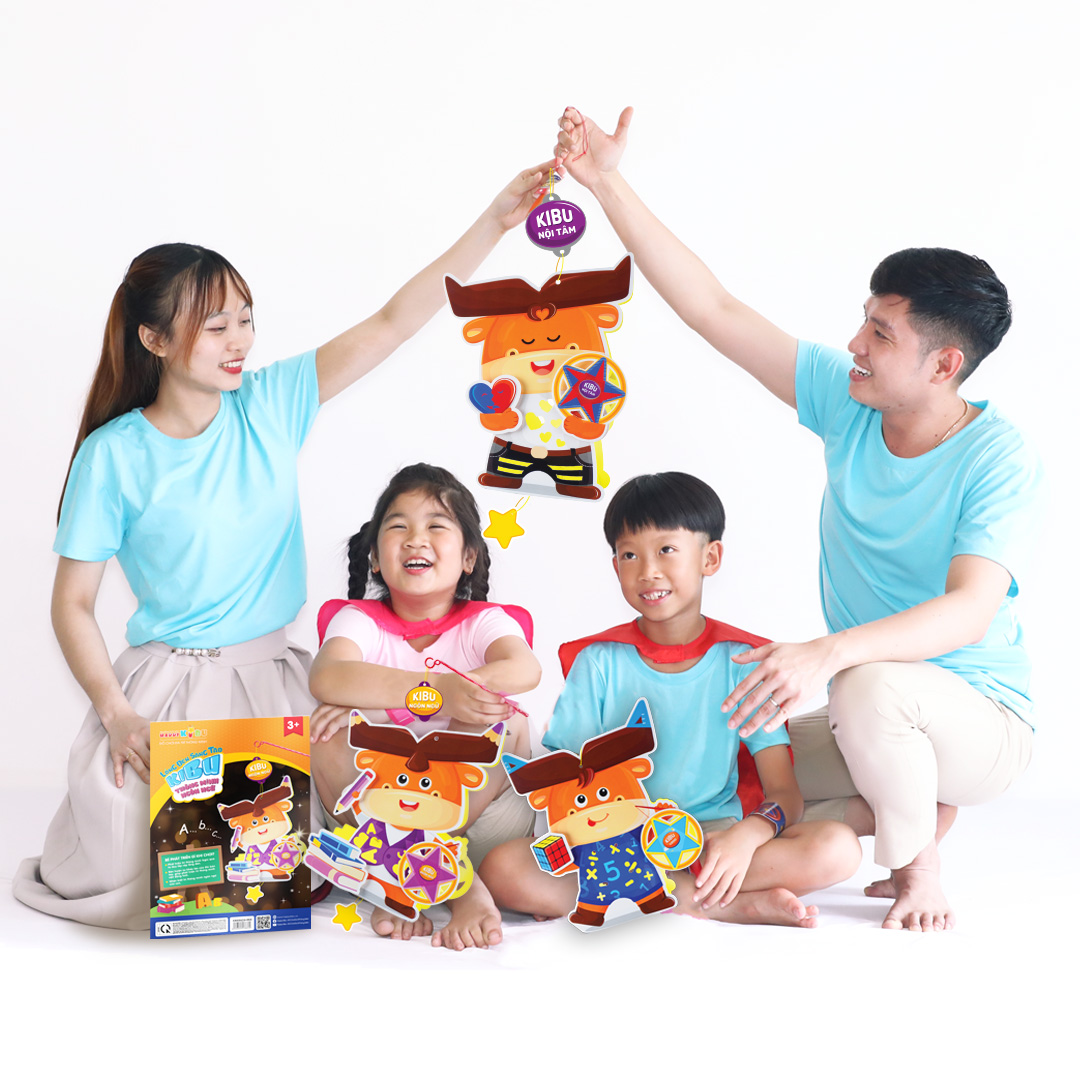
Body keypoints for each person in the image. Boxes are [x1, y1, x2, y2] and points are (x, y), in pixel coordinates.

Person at [14, 162, 558, 931]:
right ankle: (385, 878)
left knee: (360, 808)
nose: (239, 341)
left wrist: (495, 222)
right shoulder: (114, 455)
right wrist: (117, 714)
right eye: (216, 327)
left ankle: (430, 882)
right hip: (167, 690)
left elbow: (391, 322)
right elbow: (72, 604)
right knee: (142, 872)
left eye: (245, 319)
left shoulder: (268, 403)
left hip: (278, 684)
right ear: (154, 339)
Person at [553, 106, 1043, 931]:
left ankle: (918, 865)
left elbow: (969, 611)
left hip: (978, 719)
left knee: (865, 684)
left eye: (879, 333)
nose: (854, 343)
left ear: (944, 364)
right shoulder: (850, 403)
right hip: (868, 714)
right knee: (718, 752)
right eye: (863, 320)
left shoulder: (998, 458)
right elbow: (714, 309)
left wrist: (828, 652)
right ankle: (829, 840)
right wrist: (606, 184)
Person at [483, 473, 861, 928]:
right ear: (615, 566)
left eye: (666, 549)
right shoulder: (599, 662)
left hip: (713, 841)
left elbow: (784, 794)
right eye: (629, 555)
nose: (648, 571)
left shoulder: (745, 664)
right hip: (613, 841)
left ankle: (667, 893)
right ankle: (718, 904)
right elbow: (569, 780)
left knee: (838, 848)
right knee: (503, 869)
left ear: (710, 557)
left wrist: (746, 837)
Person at [309, 463, 541, 949]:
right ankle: (449, 882)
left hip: (480, 819)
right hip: (375, 825)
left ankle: (422, 875)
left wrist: (453, 697)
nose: (416, 539)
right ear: (375, 559)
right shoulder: (359, 619)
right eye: (399, 527)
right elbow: (327, 676)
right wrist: (436, 692)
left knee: (497, 718)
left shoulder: (484, 622)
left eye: (436, 526)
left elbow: (524, 669)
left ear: (469, 557)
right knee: (326, 730)